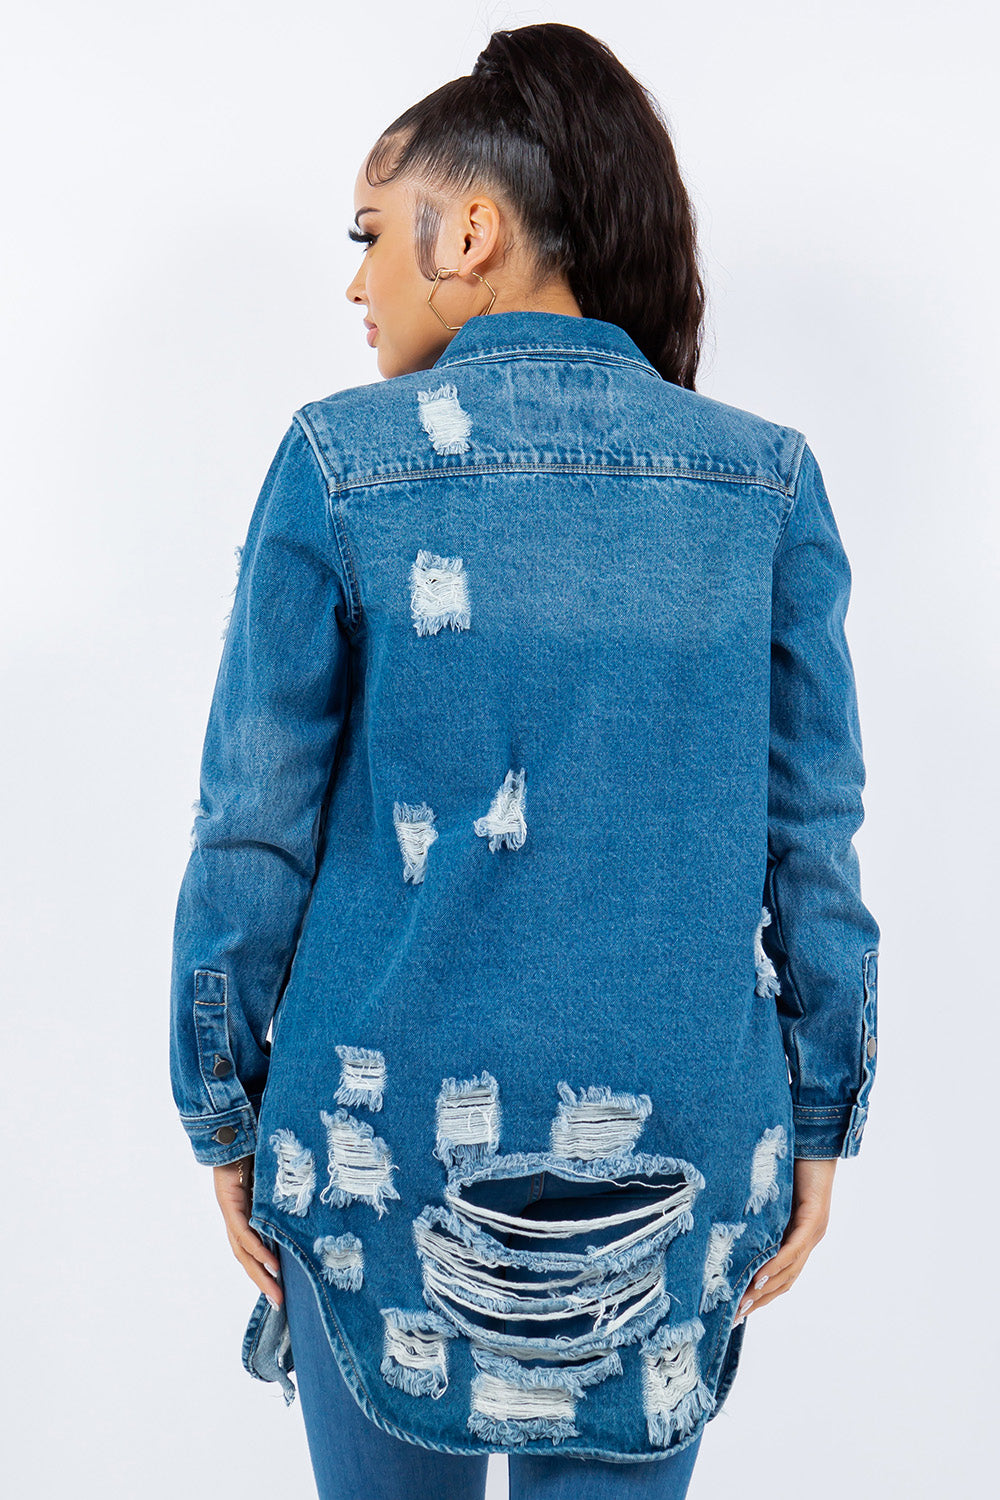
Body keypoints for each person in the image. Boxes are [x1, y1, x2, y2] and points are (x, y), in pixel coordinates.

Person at [169, 22, 880, 1500]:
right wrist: (823, 1108)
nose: (356, 281)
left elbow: (252, 830)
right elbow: (813, 836)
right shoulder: (764, 482)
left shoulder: (338, 464)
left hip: (373, 1140)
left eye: (372, 235)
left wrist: (220, 1101)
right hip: (679, 1147)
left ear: (472, 231)